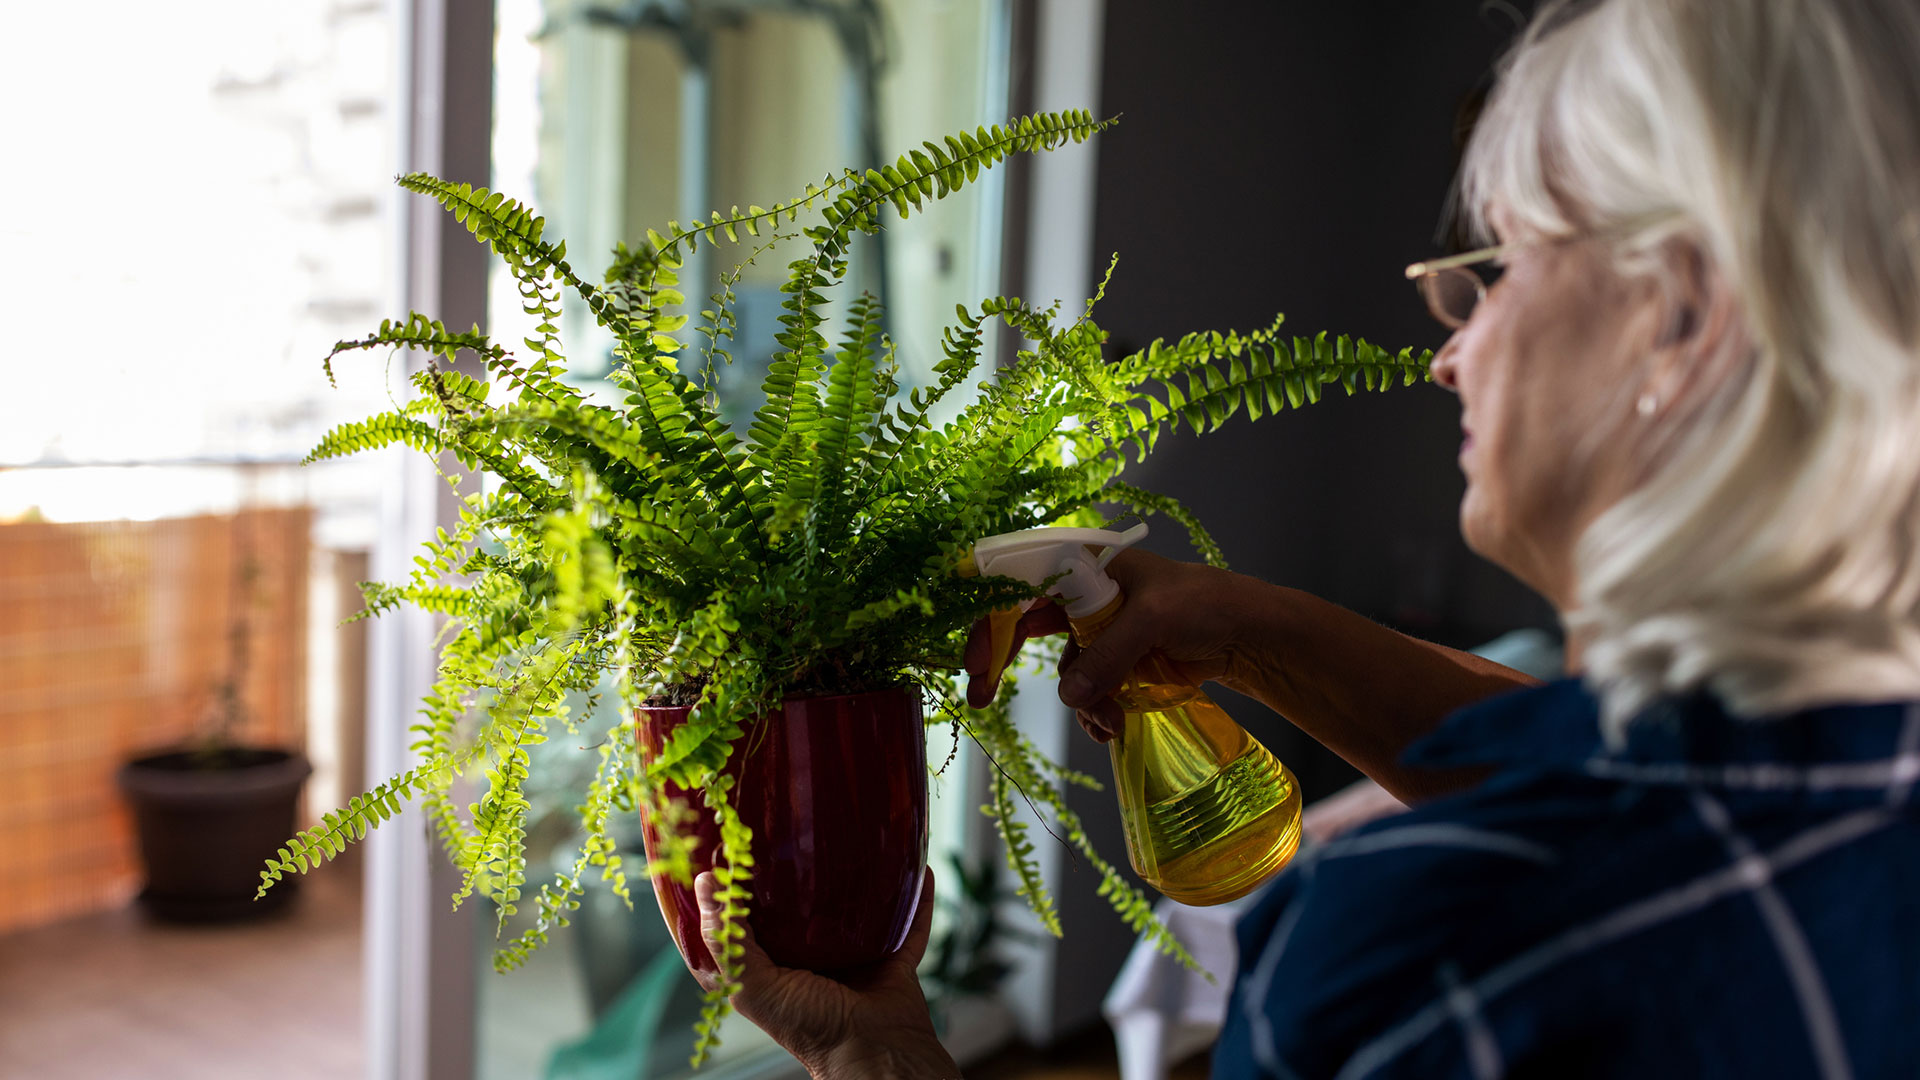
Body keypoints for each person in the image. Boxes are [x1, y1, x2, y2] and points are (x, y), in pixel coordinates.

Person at [689, 0, 1920, 1074]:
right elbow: (1607, 760)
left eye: (1494, 270)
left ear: (1682, 314)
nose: (1450, 348)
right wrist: (1252, 628)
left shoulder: (1430, 957)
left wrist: (881, 1060)